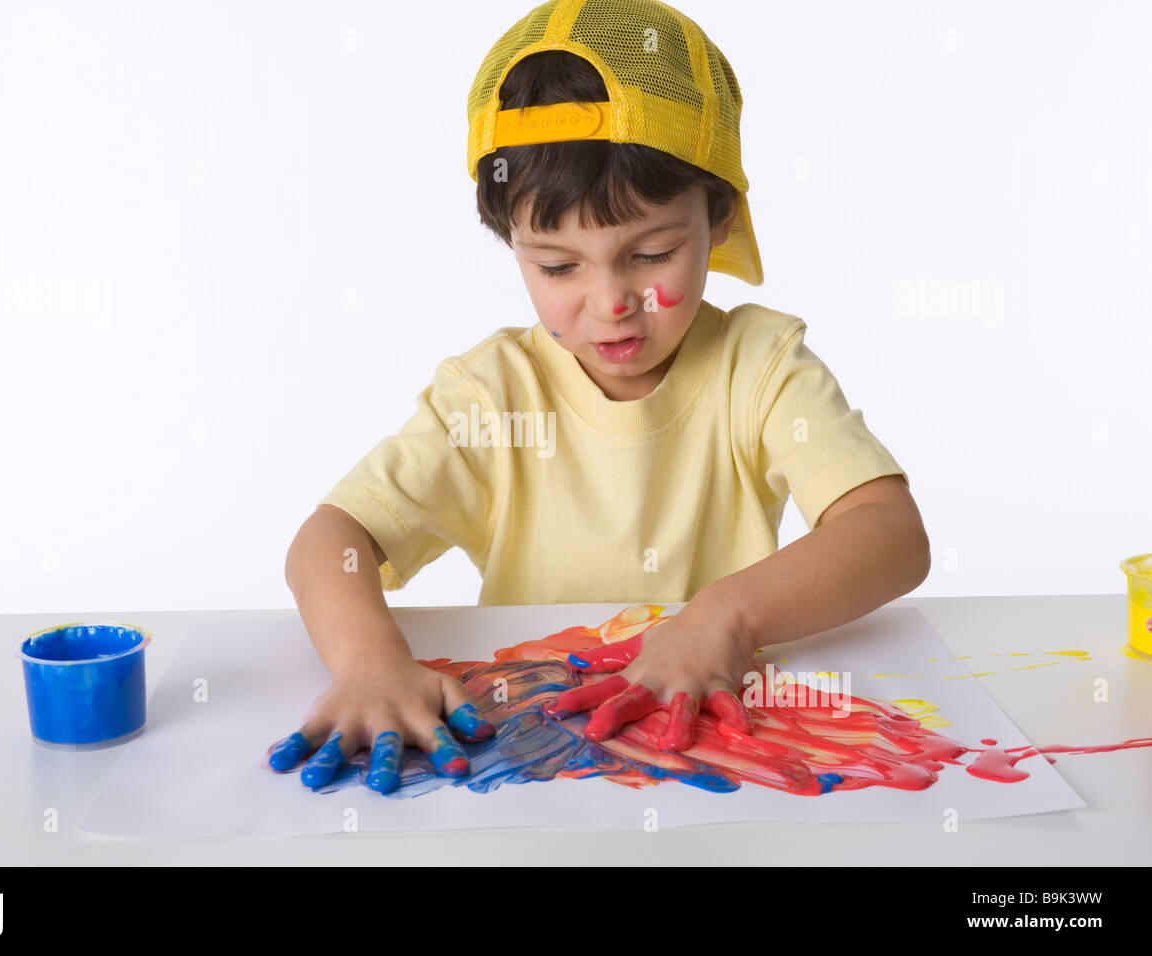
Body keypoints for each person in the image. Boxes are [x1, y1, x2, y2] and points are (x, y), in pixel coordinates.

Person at [268, 0, 930, 794]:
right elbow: (331, 538)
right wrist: (370, 661)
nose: (612, 301)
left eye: (650, 253)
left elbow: (891, 533)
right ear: (511, 244)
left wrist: (724, 616)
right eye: (558, 267)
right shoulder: (492, 394)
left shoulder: (757, 366)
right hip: (534, 765)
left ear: (718, 214)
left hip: (714, 764)